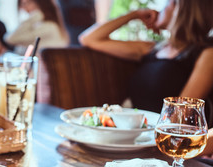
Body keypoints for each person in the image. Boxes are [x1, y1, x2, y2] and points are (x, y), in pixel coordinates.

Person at [79, 0, 213, 114]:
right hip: (138, 133)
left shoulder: (206, 53)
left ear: (179, 9)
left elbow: (181, 113)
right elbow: (89, 39)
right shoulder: (151, 49)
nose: (159, 10)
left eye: (166, 4)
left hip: (164, 139)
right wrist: (134, 14)